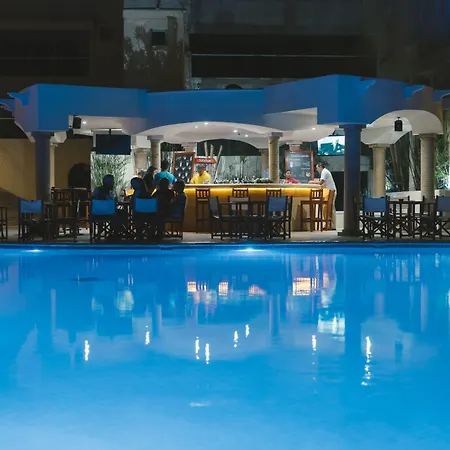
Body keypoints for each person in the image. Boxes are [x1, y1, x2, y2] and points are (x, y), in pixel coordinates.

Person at [309, 162, 337, 230]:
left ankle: (329, 224)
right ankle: (330, 225)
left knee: (327, 208)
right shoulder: (325, 172)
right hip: (330, 191)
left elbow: (321, 182)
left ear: (320, 167)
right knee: (329, 208)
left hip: (330, 192)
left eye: (317, 168)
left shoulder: (324, 171)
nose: (316, 169)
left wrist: (312, 182)